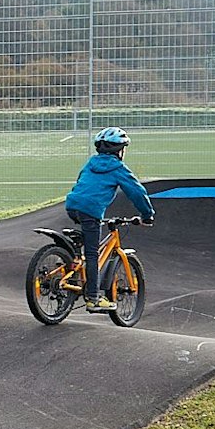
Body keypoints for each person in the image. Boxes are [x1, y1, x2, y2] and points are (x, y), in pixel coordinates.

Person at [63, 126, 155, 310]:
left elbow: (81, 180)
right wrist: (147, 215)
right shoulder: (118, 169)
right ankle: (93, 298)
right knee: (92, 254)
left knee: (84, 244)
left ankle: (72, 268)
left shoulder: (91, 163)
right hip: (90, 211)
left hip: (72, 206)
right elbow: (137, 192)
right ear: (119, 150)